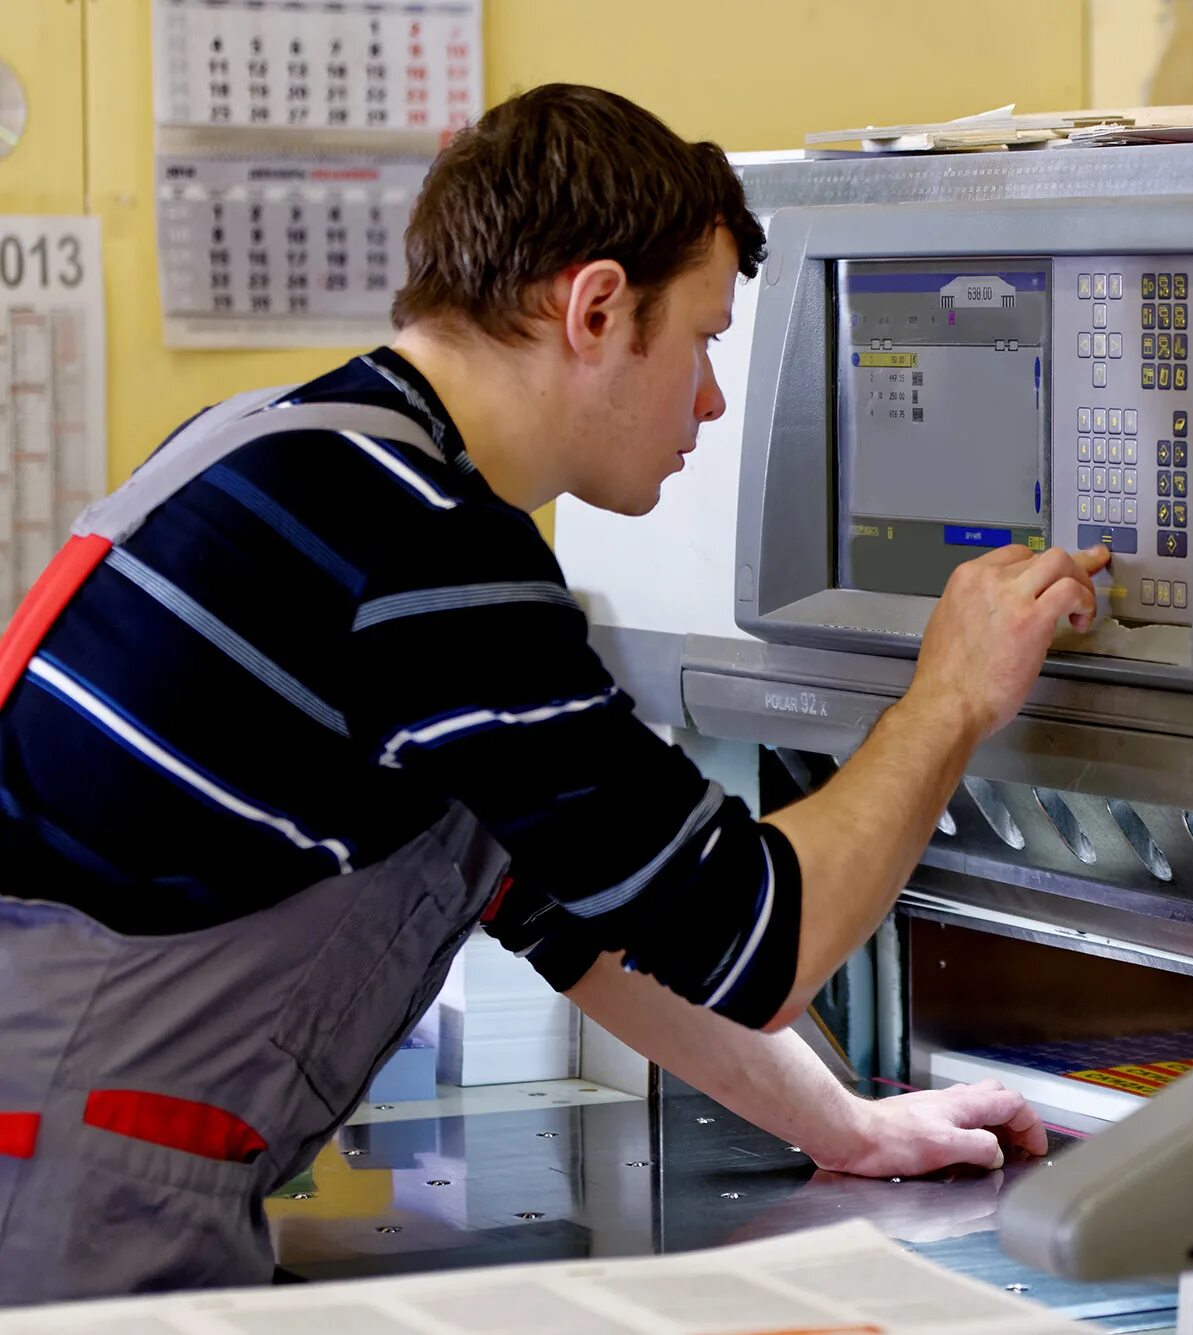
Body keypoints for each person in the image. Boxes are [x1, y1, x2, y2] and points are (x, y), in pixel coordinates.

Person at [0, 83, 1111, 1302]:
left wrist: (840, 1127)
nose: (710, 400)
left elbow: (582, 919)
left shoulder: (300, 449)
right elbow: (758, 935)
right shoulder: (421, 541)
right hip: (61, 1190)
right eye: (700, 339)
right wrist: (947, 699)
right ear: (593, 308)